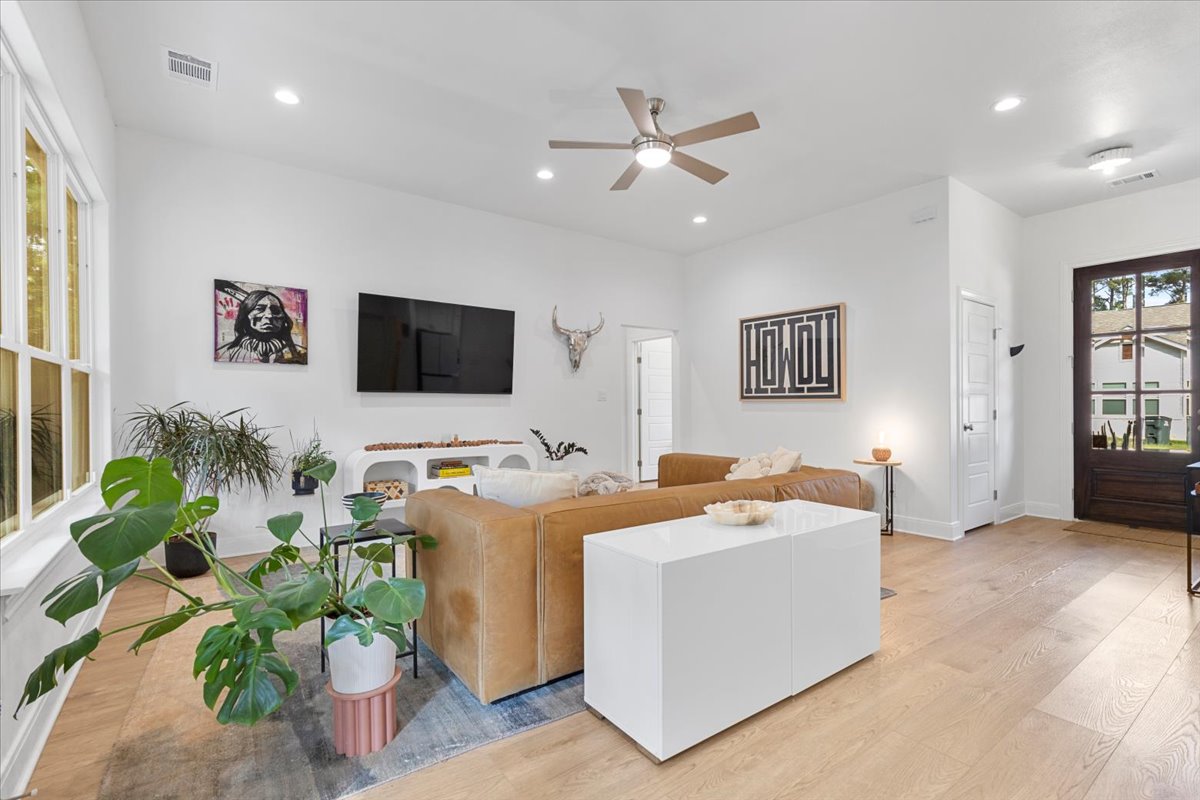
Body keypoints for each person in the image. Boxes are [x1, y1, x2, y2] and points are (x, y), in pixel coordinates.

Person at [216, 289, 307, 364]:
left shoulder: (302, 354)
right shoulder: (225, 353)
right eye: (260, 309)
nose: (269, 315)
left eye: (275, 310)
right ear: (246, 315)